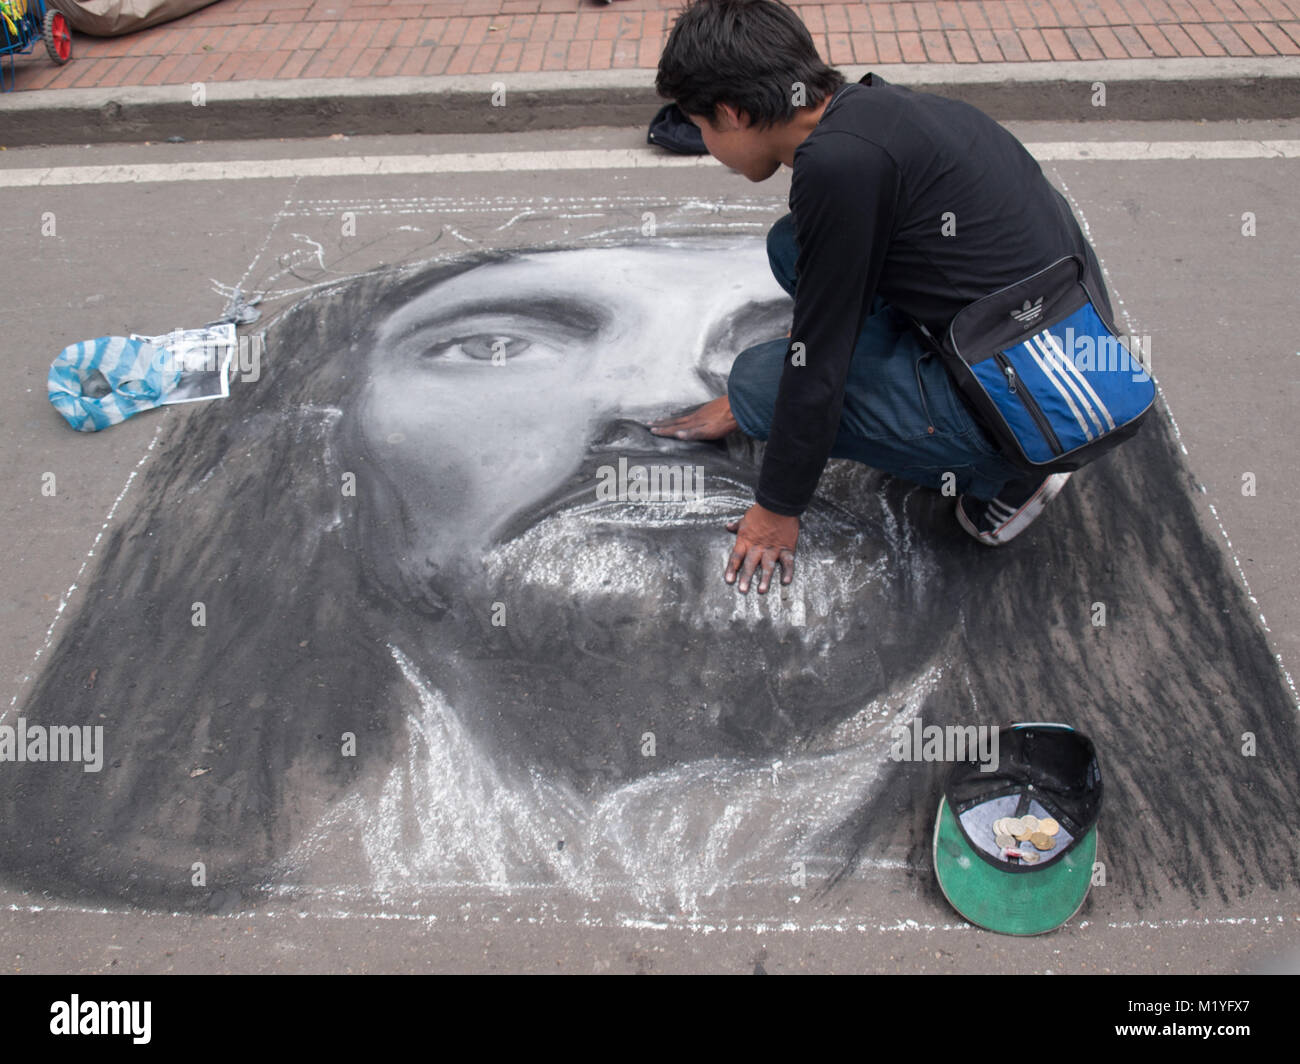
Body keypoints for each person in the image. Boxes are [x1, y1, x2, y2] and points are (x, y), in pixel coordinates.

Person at [651, 0, 1118, 588]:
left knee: (757, 386)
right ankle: (959, 411)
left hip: (1045, 401)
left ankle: (1011, 474)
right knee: (792, 246)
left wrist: (777, 508)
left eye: (700, 128)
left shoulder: (835, 169)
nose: (705, 145)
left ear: (733, 113)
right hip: (1060, 335)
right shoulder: (878, 109)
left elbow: (816, 368)